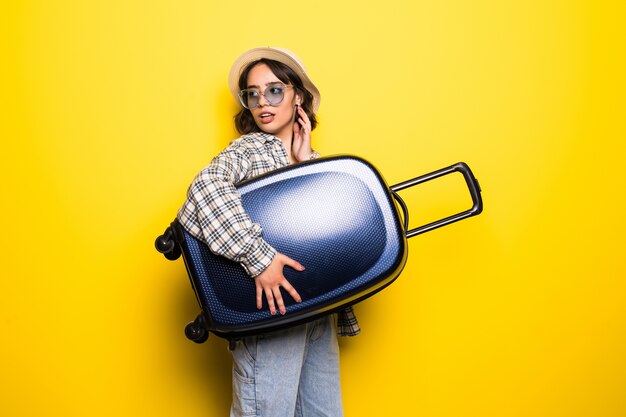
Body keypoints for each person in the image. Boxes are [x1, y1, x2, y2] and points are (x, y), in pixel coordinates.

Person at [177, 47, 359, 417]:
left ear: (299, 96)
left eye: (274, 90)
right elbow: (206, 187)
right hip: (272, 313)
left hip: (315, 313)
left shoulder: (313, 158)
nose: (262, 101)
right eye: (253, 94)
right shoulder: (249, 149)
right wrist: (259, 260)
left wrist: (305, 163)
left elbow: (326, 238)